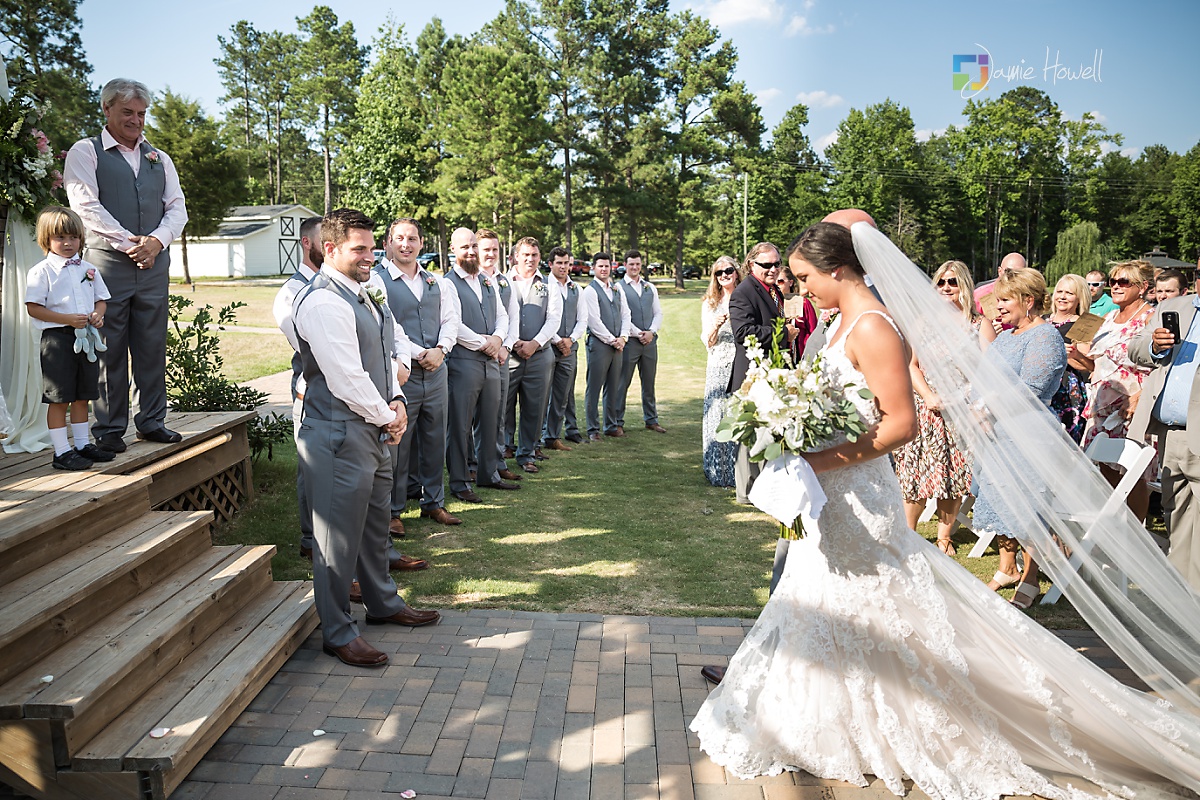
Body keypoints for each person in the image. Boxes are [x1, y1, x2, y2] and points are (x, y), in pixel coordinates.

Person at [691, 221, 1200, 798]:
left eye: (807, 277)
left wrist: (816, 461)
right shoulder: (839, 322)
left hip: (859, 494)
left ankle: (925, 712)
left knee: (877, 604)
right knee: (821, 597)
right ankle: (820, 714)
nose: (802, 288)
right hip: (831, 494)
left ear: (838, 270)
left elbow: (900, 424)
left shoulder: (874, 326)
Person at [292, 209, 440, 669]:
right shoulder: (322, 302)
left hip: (373, 427)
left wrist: (396, 400)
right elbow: (346, 377)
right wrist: (389, 417)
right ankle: (337, 631)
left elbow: (385, 355)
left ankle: (383, 603)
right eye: (359, 249)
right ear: (329, 249)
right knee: (336, 541)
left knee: (377, 526)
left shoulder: (364, 293)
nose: (369, 256)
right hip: (337, 434)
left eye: (371, 248)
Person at [63, 78, 188, 452]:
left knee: (152, 345)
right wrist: (130, 243)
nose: (136, 120)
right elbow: (85, 206)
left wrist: (156, 242)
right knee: (108, 348)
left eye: (142, 113)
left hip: (153, 265)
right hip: (106, 265)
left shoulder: (159, 158)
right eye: (128, 112)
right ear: (106, 109)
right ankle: (109, 428)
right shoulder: (85, 151)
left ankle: (152, 421)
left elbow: (177, 207)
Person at [972, 268, 1066, 607]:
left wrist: (988, 408)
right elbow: (984, 377)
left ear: (1028, 301)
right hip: (998, 434)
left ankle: (1031, 577)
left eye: (1004, 300)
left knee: (1029, 508)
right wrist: (977, 406)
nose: (997, 307)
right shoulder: (1006, 337)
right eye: (997, 301)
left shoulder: (1045, 337)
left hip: (1030, 434)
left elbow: (1031, 389)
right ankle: (1007, 567)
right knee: (1000, 499)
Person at [891, 260, 991, 554]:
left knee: (953, 474)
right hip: (926, 407)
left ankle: (944, 536)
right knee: (915, 472)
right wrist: (928, 395)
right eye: (941, 282)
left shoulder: (978, 324)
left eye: (953, 282)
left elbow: (991, 370)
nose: (946, 288)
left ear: (965, 286)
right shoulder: (922, 323)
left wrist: (968, 398)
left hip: (962, 409)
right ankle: (908, 534)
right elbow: (911, 365)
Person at [369, 218, 461, 529]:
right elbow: (386, 326)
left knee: (435, 438)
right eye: (399, 238)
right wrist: (420, 353)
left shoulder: (437, 282)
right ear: (387, 243)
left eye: (412, 239)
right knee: (398, 442)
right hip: (401, 375)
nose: (406, 244)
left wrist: (442, 349)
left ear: (421, 243)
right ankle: (393, 511)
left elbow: (451, 320)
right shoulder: (377, 281)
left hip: (436, 373)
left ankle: (433, 502)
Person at [24, 206, 114, 470]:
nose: (68, 243)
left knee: (83, 395)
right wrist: (66, 319)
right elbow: (33, 308)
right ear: (46, 239)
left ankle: (83, 445)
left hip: (87, 340)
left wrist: (97, 315)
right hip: (57, 341)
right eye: (60, 237)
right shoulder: (41, 271)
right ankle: (61, 452)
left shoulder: (88, 268)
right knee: (60, 397)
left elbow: (100, 300)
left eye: (73, 237)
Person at [1073, 260, 1156, 522]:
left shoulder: (1151, 317)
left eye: (1123, 282)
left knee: (1131, 471)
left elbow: (1162, 364)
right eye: (1113, 281)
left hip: (1130, 405)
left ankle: (1136, 532)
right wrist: (1075, 355)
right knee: (1104, 467)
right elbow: (1094, 364)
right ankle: (1114, 527)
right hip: (1100, 403)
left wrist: (1140, 398)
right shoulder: (1105, 318)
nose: (1116, 287)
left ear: (1142, 287)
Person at [443, 228, 520, 501]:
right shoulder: (447, 283)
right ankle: (460, 481)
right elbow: (453, 323)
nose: (471, 251)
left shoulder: (487, 281)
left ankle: (490, 474)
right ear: (453, 249)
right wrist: (483, 343)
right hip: (463, 362)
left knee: (491, 420)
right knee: (460, 425)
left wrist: (498, 339)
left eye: (474, 245)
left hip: (491, 361)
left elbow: (502, 315)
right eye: (465, 247)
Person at [1130, 294, 1200, 589]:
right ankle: (1183, 602)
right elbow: (1135, 349)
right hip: (1169, 434)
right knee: (1177, 518)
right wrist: (1154, 346)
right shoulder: (1173, 307)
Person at [727, 243, 797, 504]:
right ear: (751, 265)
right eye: (766, 265)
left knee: (768, 434)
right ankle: (747, 493)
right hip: (752, 376)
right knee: (751, 436)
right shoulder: (743, 292)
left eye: (777, 264)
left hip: (772, 374)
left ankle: (765, 490)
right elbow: (743, 333)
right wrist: (783, 334)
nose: (773, 269)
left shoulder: (774, 290)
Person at [273, 216, 323, 558]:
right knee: (310, 463)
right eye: (323, 239)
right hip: (312, 386)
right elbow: (307, 346)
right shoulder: (291, 292)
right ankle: (310, 538)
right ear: (306, 243)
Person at [504, 237, 562, 474]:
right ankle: (504, 447)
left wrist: (534, 344)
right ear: (516, 257)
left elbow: (554, 319)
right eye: (526, 254)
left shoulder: (550, 284)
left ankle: (527, 453)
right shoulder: (502, 282)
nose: (530, 259)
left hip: (539, 356)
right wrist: (514, 342)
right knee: (502, 405)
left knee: (534, 407)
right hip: (509, 354)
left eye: (534, 255)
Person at [476, 230, 521, 480]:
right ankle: (473, 464)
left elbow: (513, 317)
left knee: (498, 414)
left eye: (495, 249)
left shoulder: (505, 280)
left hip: (502, 355)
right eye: (486, 249)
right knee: (474, 415)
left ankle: (497, 460)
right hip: (476, 354)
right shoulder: (470, 278)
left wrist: (505, 346)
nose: (491, 254)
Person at [581, 252, 632, 441]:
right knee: (594, 387)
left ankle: (611, 425)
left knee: (614, 386)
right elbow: (594, 321)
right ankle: (592, 428)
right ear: (593, 268)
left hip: (618, 344)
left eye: (606, 266)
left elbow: (626, 314)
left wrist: (623, 337)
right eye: (600, 266)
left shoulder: (617, 289)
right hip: (599, 345)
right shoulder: (590, 291)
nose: (604, 269)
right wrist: (613, 340)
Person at [542, 246, 587, 451]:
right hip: (547, 346)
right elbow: (543, 317)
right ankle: (538, 437)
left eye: (566, 263)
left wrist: (570, 340)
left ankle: (553, 436)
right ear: (550, 264)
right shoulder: (543, 286)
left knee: (562, 395)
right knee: (542, 394)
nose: (563, 267)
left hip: (570, 349)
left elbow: (583, 319)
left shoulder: (577, 289)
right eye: (559, 263)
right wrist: (558, 340)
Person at [616, 250, 666, 433]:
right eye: (631, 264)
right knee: (622, 382)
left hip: (649, 342)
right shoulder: (618, 287)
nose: (635, 267)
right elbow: (621, 316)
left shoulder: (649, 287)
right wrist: (639, 333)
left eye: (637, 264)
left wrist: (651, 332)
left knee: (649, 382)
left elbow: (658, 312)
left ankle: (651, 419)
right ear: (625, 265)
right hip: (630, 342)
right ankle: (617, 422)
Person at [701, 255, 740, 488]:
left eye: (728, 270)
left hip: (740, 362)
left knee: (736, 414)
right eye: (719, 272)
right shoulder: (710, 303)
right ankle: (717, 469)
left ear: (736, 272)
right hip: (718, 363)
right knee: (717, 414)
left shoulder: (744, 298)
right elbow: (708, 342)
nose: (724, 275)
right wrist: (715, 325)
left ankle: (737, 471)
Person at [1044, 273, 1091, 443]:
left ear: (1079, 298)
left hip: (1066, 390)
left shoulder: (1084, 323)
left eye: (1069, 293)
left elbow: (1087, 366)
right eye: (1059, 292)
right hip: (1042, 385)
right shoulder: (1042, 320)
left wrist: (1067, 354)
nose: (1062, 297)